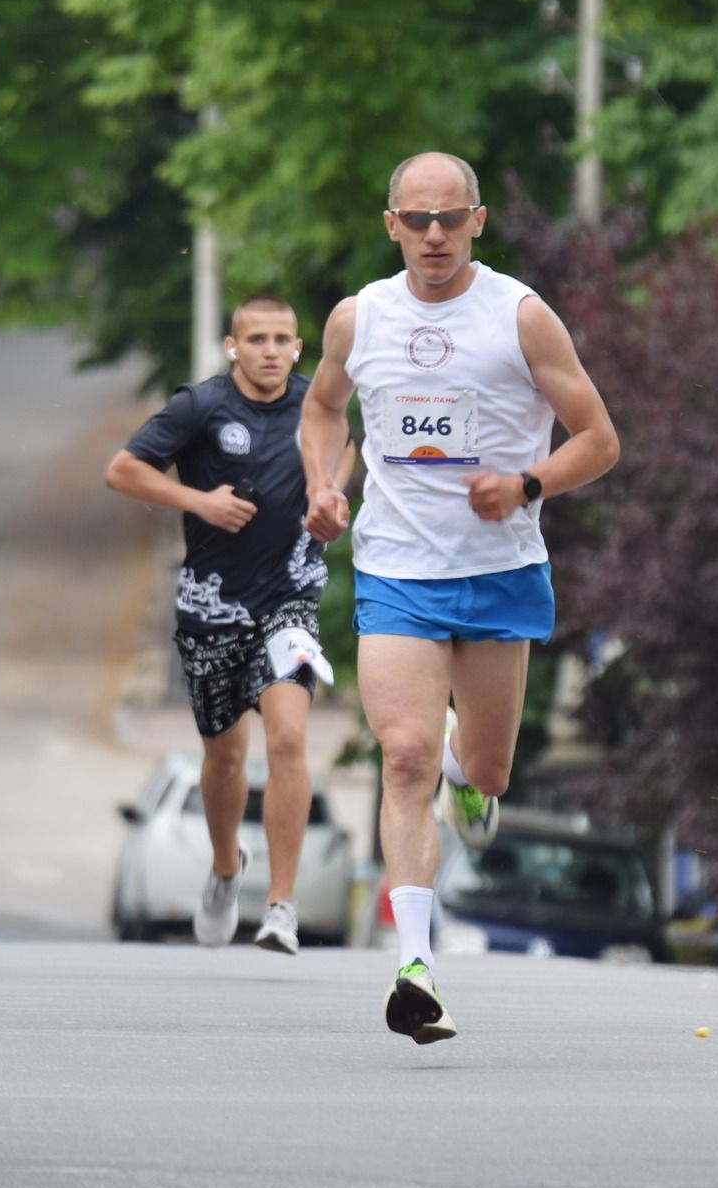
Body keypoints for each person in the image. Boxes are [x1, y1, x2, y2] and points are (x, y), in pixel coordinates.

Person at [299, 151, 620, 1043]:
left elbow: (599, 438)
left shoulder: (520, 317)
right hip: (397, 568)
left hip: (499, 568)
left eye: (450, 219)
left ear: (478, 220)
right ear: (390, 223)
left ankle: (464, 776)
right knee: (401, 756)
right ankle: (417, 968)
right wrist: (325, 484)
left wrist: (527, 483)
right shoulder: (358, 318)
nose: (433, 236)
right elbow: (323, 408)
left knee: (486, 770)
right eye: (417, 220)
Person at [106, 294, 349, 955]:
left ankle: (281, 906)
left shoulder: (317, 403)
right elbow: (122, 469)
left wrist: (331, 498)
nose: (272, 349)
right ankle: (223, 869)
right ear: (232, 346)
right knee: (225, 757)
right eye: (258, 338)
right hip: (213, 604)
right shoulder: (200, 406)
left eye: (283, 339)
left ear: (299, 348)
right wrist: (198, 502)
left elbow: (341, 456)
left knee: (290, 739)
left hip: (290, 598)